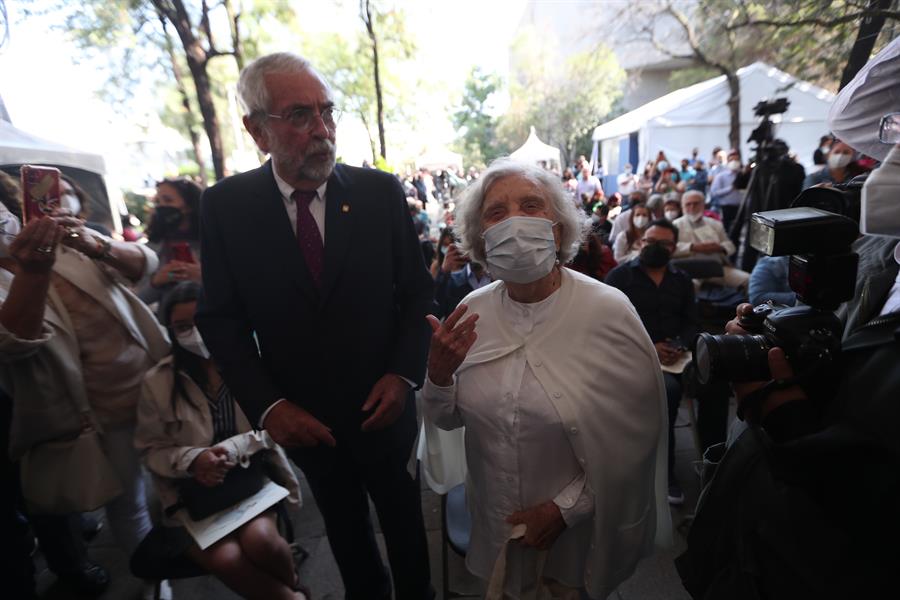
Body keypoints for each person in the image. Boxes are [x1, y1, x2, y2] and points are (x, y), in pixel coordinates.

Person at [196, 52, 435, 600]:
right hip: (306, 422)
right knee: (345, 528)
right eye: (300, 116)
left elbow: (417, 293)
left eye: (327, 112)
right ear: (257, 131)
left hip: (387, 410)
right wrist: (272, 408)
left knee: (403, 520)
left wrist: (403, 375)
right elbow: (221, 320)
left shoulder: (379, 193)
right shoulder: (225, 208)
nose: (323, 131)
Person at [677, 37, 900, 597]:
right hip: (750, 552)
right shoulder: (874, 247)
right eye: (895, 131)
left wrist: (789, 423)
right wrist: (781, 333)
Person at [421, 158, 669, 599]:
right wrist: (438, 379)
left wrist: (564, 510)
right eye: (496, 213)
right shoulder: (470, 314)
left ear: (557, 228)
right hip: (496, 520)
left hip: (576, 535)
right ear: (481, 239)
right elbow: (447, 421)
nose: (514, 220)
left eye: (531, 205)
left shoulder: (608, 311)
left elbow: (634, 440)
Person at [0, 197, 168, 596]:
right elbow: (12, 343)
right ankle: (157, 580)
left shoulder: (64, 241)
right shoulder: (23, 266)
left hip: (155, 384)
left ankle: (204, 551)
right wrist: (33, 270)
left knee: (178, 481)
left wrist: (95, 244)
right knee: (130, 505)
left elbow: (145, 264)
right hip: (96, 412)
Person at [135, 282, 305, 600]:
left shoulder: (251, 365)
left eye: (201, 323)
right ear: (171, 331)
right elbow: (149, 449)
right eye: (183, 327)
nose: (195, 335)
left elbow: (278, 426)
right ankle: (295, 595)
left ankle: (292, 586)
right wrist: (192, 459)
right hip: (193, 496)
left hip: (250, 479)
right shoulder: (158, 382)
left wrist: (234, 448)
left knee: (262, 543)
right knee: (227, 559)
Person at [605, 219, 697, 505]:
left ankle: (715, 462)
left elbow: (692, 323)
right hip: (634, 356)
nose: (653, 247)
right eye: (648, 240)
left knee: (717, 384)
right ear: (640, 242)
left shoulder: (682, 280)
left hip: (678, 355)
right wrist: (650, 348)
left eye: (662, 243)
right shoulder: (620, 278)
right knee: (666, 391)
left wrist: (679, 345)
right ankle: (664, 472)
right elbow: (608, 326)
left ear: (673, 247)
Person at [140, 177, 204, 306]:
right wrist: (157, 281)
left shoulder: (213, 242)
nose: (161, 206)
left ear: (189, 206)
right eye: (158, 201)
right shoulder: (152, 248)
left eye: (168, 200)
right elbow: (137, 299)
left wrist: (204, 277)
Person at [673, 190, 750, 289]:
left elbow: (730, 246)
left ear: (703, 205)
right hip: (689, 270)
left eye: (696, 204)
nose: (692, 207)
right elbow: (671, 249)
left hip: (717, 268)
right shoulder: (675, 225)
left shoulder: (715, 224)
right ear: (682, 207)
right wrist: (693, 247)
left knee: (749, 280)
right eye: (688, 204)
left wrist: (719, 247)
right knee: (690, 287)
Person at [434, 242, 492, 319]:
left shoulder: (501, 281)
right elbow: (435, 313)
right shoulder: (451, 281)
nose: (476, 253)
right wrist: (444, 273)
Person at [708, 150, 743, 232]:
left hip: (741, 208)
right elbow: (714, 192)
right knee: (726, 230)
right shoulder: (721, 176)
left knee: (738, 230)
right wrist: (730, 188)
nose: (734, 162)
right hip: (726, 208)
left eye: (736, 160)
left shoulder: (743, 175)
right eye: (731, 160)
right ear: (728, 161)